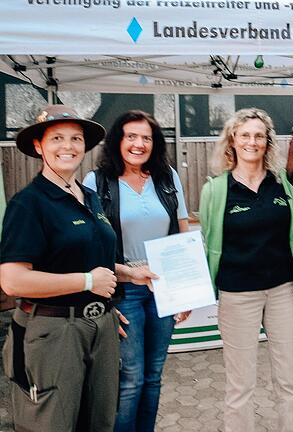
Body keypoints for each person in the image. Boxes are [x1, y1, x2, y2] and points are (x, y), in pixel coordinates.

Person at [0, 105, 155, 431]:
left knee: (99, 422)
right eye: (56, 138)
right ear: (39, 146)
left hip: (100, 327)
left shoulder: (89, 196)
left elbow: (84, 258)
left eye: (75, 138)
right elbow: (13, 280)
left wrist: (126, 273)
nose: (68, 146)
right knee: (53, 423)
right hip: (53, 332)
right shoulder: (28, 204)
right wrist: (87, 281)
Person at [82, 110, 190, 432]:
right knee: (131, 378)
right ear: (118, 140)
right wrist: (109, 300)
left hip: (163, 289)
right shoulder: (96, 182)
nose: (139, 144)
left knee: (154, 375)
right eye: (131, 136)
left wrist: (184, 289)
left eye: (147, 137)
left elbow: (182, 232)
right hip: (124, 291)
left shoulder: (168, 177)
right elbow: (90, 245)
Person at [198, 108, 293, 432]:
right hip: (237, 296)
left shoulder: (285, 184)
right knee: (240, 386)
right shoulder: (216, 190)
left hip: (283, 292)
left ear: (267, 142)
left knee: (288, 380)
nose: (252, 142)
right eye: (245, 135)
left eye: (259, 135)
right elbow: (205, 242)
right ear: (232, 140)